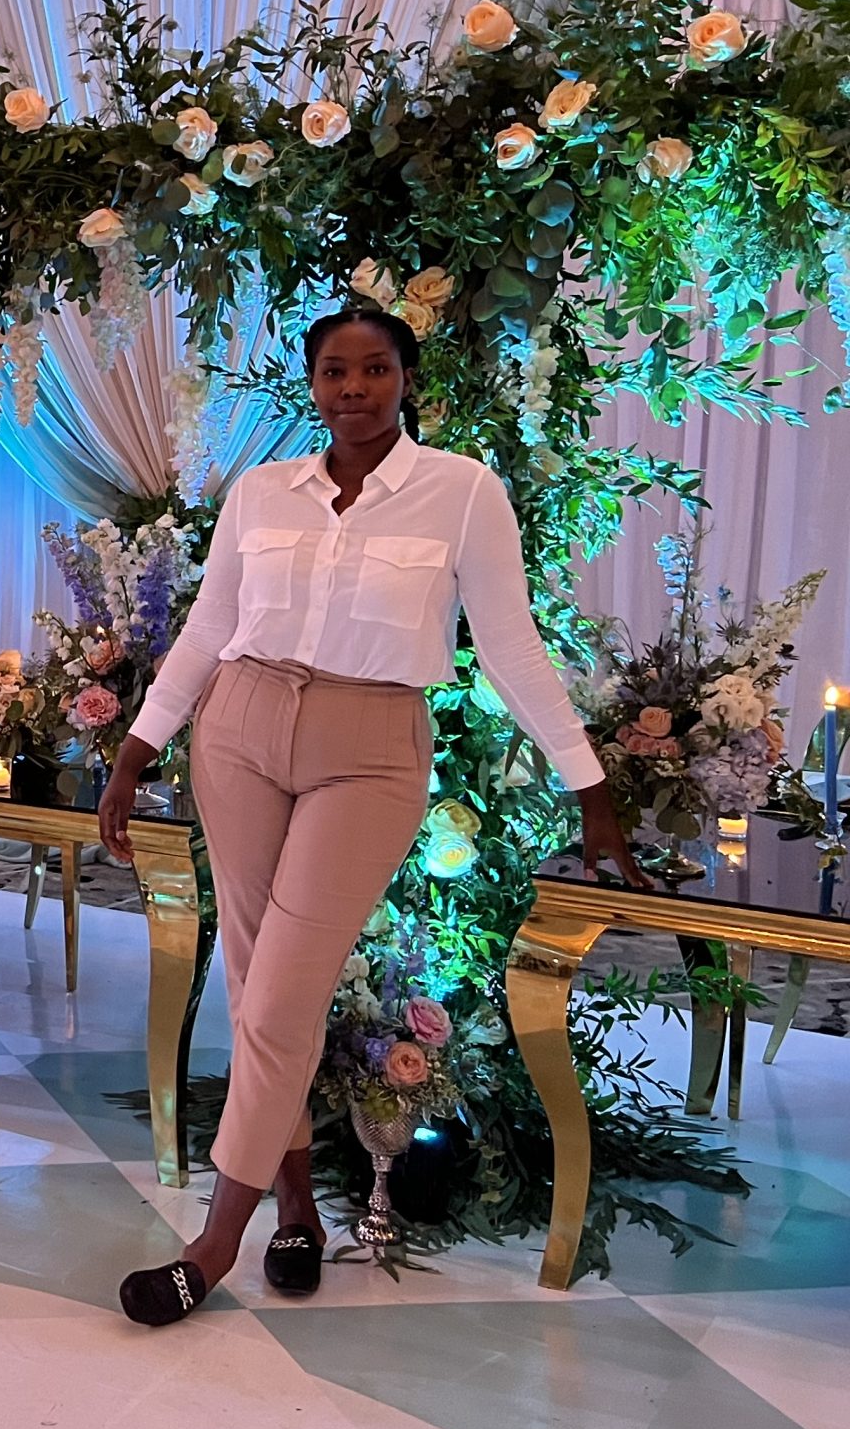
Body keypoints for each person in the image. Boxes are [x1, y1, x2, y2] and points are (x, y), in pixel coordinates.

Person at [96, 306, 633, 1326]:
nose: (353, 388)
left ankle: (214, 1243)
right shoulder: (262, 492)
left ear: (405, 378)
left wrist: (588, 784)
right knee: (255, 982)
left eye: (374, 369)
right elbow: (210, 626)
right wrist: (136, 749)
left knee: (279, 995)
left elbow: (510, 646)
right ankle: (295, 1208)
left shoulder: (462, 492)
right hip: (240, 728)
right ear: (312, 384)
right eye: (335, 371)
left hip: (371, 746)